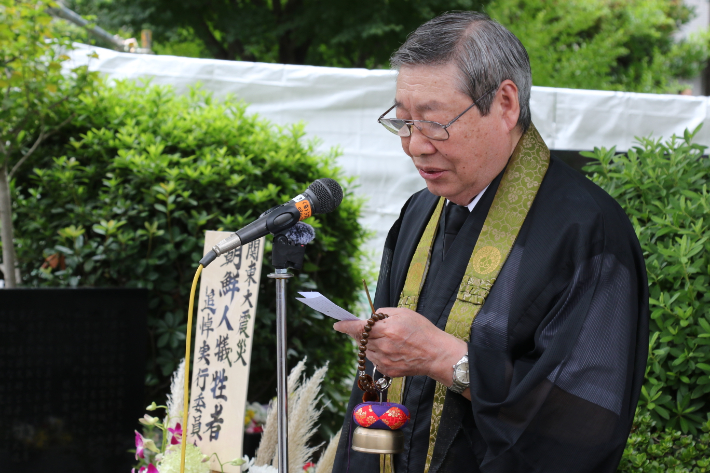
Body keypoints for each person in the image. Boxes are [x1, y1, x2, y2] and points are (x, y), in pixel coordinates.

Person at [332, 11, 648, 473]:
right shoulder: (421, 211)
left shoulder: (586, 230)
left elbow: (585, 419)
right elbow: (379, 390)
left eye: (434, 122)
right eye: (403, 123)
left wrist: (446, 359)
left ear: (505, 104)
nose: (415, 146)